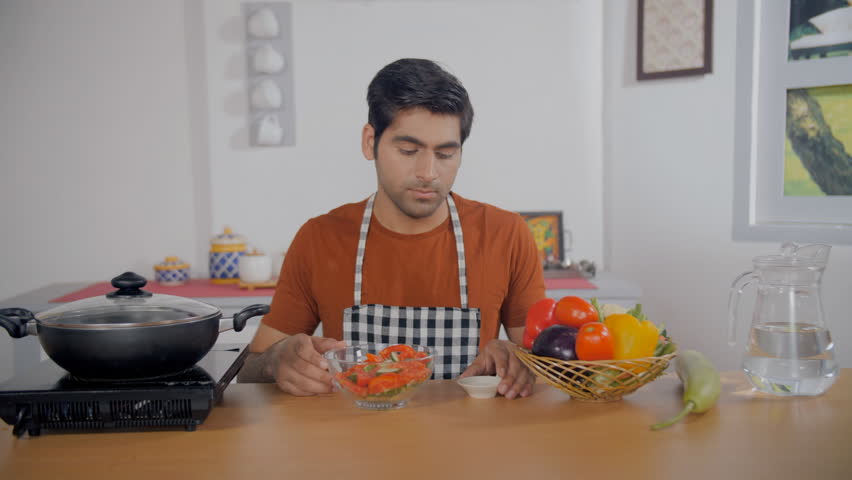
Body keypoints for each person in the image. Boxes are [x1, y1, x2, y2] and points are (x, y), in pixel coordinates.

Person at [240, 58, 545, 399]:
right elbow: (250, 370)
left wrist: (519, 361)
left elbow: (548, 368)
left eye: (445, 154)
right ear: (370, 142)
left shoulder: (506, 235)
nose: (428, 172)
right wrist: (276, 362)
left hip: (467, 447)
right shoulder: (319, 239)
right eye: (408, 150)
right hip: (353, 445)